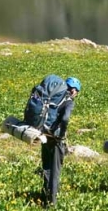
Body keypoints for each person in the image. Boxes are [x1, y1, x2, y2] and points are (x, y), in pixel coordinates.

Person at [41, 76, 80, 207]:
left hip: (44, 133)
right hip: (56, 138)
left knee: (46, 166)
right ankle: (52, 201)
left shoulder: (53, 97)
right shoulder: (68, 101)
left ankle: (45, 194)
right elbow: (65, 118)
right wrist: (62, 133)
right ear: (74, 90)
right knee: (55, 170)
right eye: (77, 92)